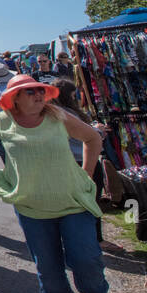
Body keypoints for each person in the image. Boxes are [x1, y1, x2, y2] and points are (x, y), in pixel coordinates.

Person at [0, 74, 114, 293]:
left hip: (73, 202)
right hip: (32, 208)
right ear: (15, 99)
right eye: (29, 91)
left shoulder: (57, 115)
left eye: (39, 90)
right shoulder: (2, 121)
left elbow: (92, 138)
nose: (37, 95)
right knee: (48, 266)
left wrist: (87, 175)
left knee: (86, 260)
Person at [54, 79, 110, 245]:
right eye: (74, 94)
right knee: (91, 200)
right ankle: (95, 239)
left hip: (68, 161)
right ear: (69, 95)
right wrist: (98, 131)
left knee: (77, 202)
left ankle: (83, 238)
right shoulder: (65, 113)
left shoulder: (54, 112)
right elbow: (85, 137)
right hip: (83, 159)